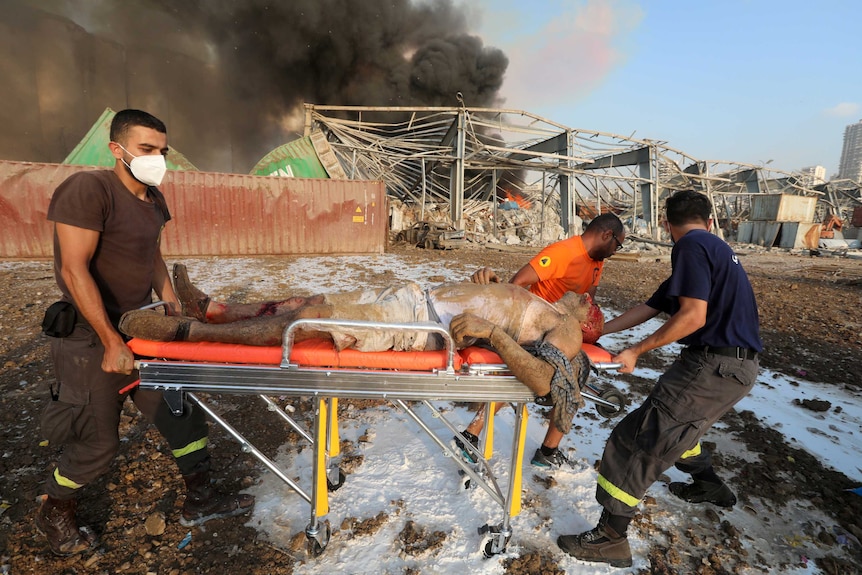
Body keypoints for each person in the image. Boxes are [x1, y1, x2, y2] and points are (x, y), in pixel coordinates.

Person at [38, 109, 254, 556]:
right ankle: (54, 511)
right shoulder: (89, 190)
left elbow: (151, 254)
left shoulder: (153, 199)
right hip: (90, 336)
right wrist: (112, 341)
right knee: (98, 441)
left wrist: (171, 304)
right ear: (117, 149)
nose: (158, 158)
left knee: (180, 413)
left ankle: (201, 498)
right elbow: (73, 269)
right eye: (147, 149)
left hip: (143, 328)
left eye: (163, 150)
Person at [119, 269, 595, 439]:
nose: (587, 297)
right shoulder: (548, 306)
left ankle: (192, 331)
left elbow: (545, 384)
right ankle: (217, 310)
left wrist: (493, 331)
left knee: (308, 324)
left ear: (589, 321)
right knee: (311, 306)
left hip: (414, 328)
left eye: (592, 304)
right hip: (414, 299)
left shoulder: (568, 329)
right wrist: (486, 287)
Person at [556, 190, 762, 568]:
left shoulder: (691, 248)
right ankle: (708, 485)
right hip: (736, 368)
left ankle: (610, 538)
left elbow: (692, 317)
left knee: (638, 439)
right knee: (680, 432)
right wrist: (596, 333)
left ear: (666, 226)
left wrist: (635, 350)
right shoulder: (714, 248)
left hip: (712, 366)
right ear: (710, 220)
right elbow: (651, 307)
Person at [457, 213, 625, 469]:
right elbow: (518, 283)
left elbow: (587, 302)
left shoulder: (596, 262)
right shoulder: (563, 254)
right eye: (617, 245)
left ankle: (548, 450)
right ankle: (472, 433)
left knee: (575, 375)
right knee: (526, 375)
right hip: (537, 328)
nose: (616, 252)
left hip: (564, 330)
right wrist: (520, 326)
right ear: (606, 235)